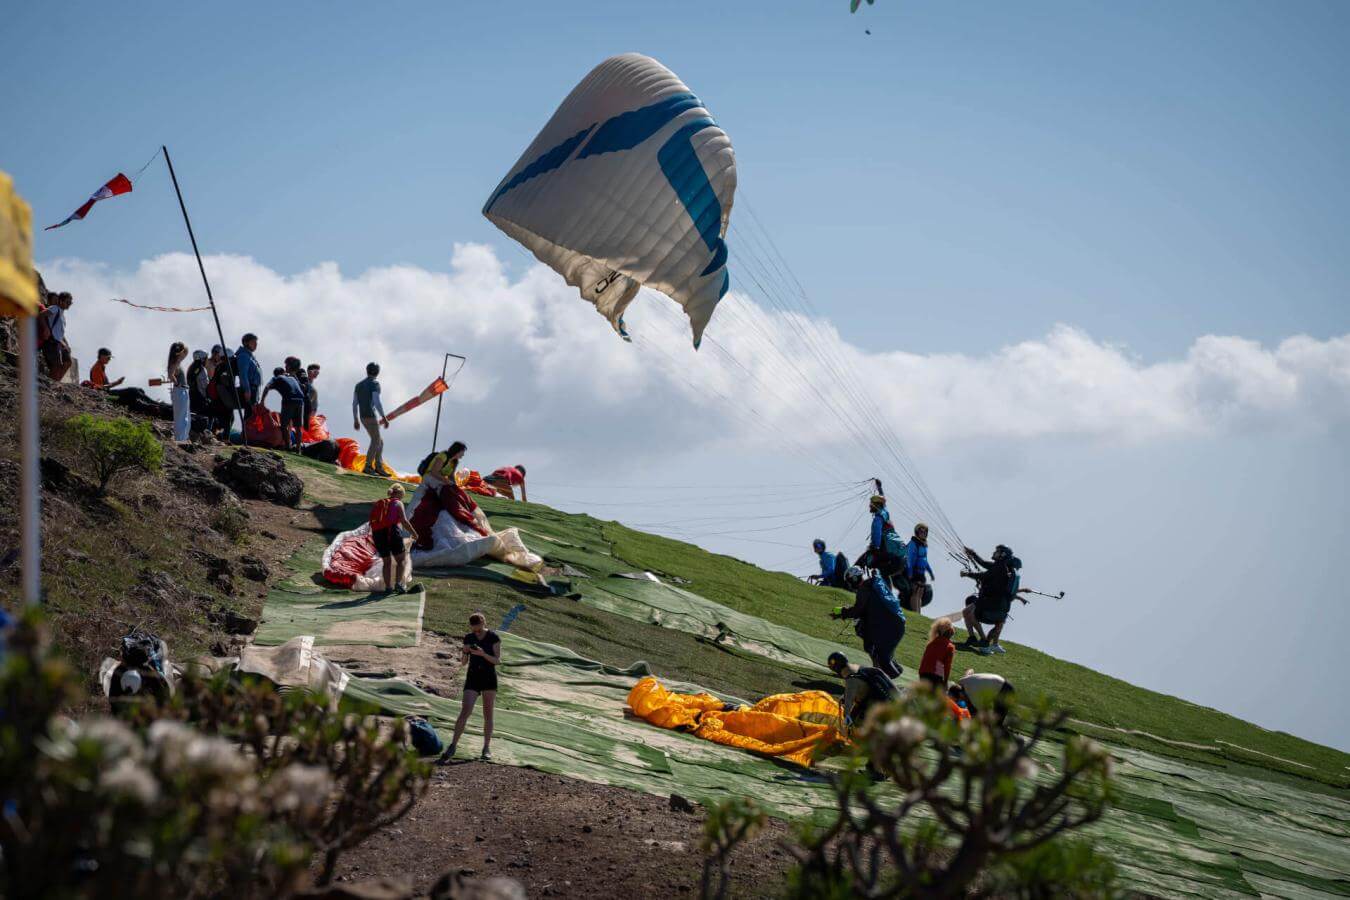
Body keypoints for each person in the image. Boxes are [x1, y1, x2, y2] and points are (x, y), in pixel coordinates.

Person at [437, 612, 501, 763]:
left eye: (478, 629)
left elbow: (497, 660)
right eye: (474, 629)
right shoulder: (469, 637)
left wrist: (483, 654)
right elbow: (463, 663)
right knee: (465, 711)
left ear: (484, 623)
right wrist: (465, 652)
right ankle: (453, 745)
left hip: (488, 678)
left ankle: (486, 748)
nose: (476, 632)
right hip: (473, 677)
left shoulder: (493, 637)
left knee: (488, 714)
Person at [831, 565, 905, 678]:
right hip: (895, 624)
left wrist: (842, 612)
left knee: (882, 658)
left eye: (850, 581)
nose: (850, 584)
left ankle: (893, 685)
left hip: (890, 626)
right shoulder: (873, 584)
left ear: (854, 579)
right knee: (880, 654)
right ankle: (892, 673)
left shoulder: (865, 588)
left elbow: (857, 610)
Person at [960, 545, 1019, 655]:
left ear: (1002, 555)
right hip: (990, 602)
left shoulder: (1000, 568)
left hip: (991, 604)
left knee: (972, 615)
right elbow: (983, 563)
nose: (994, 552)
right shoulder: (999, 566)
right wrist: (973, 554)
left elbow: (984, 576)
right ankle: (972, 638)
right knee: (966, 612)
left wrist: (967, 574)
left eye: (997, 551)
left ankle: (983, 641)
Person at [826, 651, 897, 732]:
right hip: (885, 699)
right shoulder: (859, 668)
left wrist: (847, 718)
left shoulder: (851, 680)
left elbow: (848, 704)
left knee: (855, 723)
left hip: (875, 705)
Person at [369, 483, 419, 595]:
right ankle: (398, 585)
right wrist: (414, 533)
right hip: (392, 532)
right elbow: (404, 521)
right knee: (400, 560)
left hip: (378, 534)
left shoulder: (380, 503)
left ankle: (388, 588)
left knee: (386, 562)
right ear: (400, 493)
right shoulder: (397, 502)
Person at [861, 495, 909, 596]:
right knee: (882, 571)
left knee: (878, 570)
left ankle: (886, 597)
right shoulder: (886, 514)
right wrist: (879, 488)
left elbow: (876, 533)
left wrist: (875, 547)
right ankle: (888, 596)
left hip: (891, 556)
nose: (870, 506)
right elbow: (884, 504)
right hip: (900, 558)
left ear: (877, 505)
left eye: (871, 504)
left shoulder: (878, 518)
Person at [352, 362, 389, 476]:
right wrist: (384, 417)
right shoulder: (375, 384)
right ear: (377, 372)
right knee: (376, 441)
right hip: (371, 416)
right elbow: (377, 402)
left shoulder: (358, 385)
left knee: (379, 442)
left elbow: (354, 403)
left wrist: (356, 419)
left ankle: (378, 466)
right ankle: (368, 466)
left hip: (363, 417)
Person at [262, 366, 306, 452]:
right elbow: (302, 387)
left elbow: (267, 387)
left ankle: (288, 447)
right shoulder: (292, 377)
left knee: (284, 425)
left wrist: (262, 400)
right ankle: (298, 449)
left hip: (289, 400)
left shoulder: (277, 378)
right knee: (298, 427)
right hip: (300, 401)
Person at [40, 291, 73, 381]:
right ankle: (51, 385)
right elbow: (41, 315)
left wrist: (65, 344)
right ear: (61, 301)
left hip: (58, 343)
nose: (69, 304)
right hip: (51, 342)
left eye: (70, 303)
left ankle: (55, 382)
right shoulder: (55, 308)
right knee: (56, 366)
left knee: (68, 362)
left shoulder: (62, 315)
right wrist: (46, 328)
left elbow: (59, 332)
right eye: (67, 302)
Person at [209, 349, 241, 439]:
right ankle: (225, 438)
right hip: (223, 397)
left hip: (218, 397)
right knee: (228, 418)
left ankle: (216, 435)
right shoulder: (227, 367)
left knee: (226, 418)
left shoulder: (220, 366)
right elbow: (225, 381)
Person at [904, 523, 935, 612]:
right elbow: (909, 559)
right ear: (917, 532)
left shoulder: (923, 545)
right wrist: (910, 573)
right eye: (921, 531)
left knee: (920, 593)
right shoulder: (913, 543)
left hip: (921, 573)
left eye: (925, 532)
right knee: (915, 592)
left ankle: (918, 612)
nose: (923, 533)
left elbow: (925, 561)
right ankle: (915, 613)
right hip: (914, 571)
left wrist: (930, 572)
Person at [919, 618, 957, 688]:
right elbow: (947, 666)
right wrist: (945, 681)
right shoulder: (950, 646)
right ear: (951, 633)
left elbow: (924, 661)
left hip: (923, 674)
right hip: (935, 676)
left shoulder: (931, 643)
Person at [166, 342, 190, 442]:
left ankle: (183, 438)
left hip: (183, 390)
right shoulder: (175, 363)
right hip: (180, 390)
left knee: (185, 416)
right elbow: (170, 374)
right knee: (181, 417)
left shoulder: (177, 363)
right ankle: (180, 439)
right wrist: (176, 383)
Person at [234, 333, 263, 409]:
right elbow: (243, 374)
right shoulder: (244, 355)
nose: (255, 344)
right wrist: (247, 390)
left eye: (256, 342)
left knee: (252, 415)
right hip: (250, 388)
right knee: (250, 415)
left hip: (253, 389)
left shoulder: (249, 356)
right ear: (245, 343)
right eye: (253, 342)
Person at [284, 357, 311, 433]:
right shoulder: (287, 376)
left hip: (304, 404)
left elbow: (304, 388)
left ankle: (303, 443)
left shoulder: (301, 372)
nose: (285, 367)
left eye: (287, 365)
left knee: (304, 428)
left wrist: (293, 376)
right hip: (292, 404)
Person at [186, 350, 211, 418]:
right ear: (202, 359)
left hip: (191, 398)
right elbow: (205, 386)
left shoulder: (191, 368)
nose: (207, 360)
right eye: (206, 358)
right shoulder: (202, 369)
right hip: (200, 400)